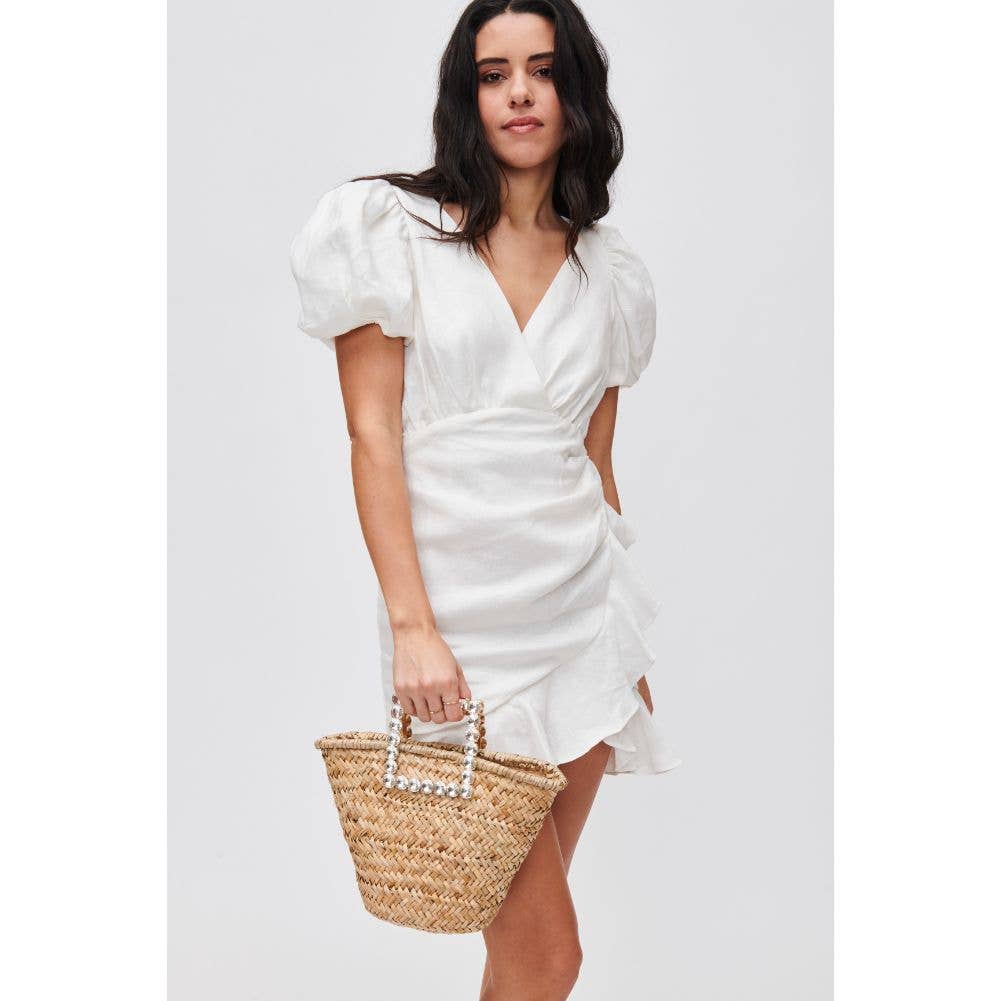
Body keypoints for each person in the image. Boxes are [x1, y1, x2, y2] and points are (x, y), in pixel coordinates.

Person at [290, 1, 680, 997]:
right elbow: (372, 439)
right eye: (493, 73)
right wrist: (412, 629)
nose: (518, 93)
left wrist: (624, 638)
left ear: (575, 90)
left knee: (519, 958)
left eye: (541, 70)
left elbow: (594, 466)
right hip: (458, 636)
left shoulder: (611, 273)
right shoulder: (390, 231)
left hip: (579, 624)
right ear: (465, 96)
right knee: (550, 954)